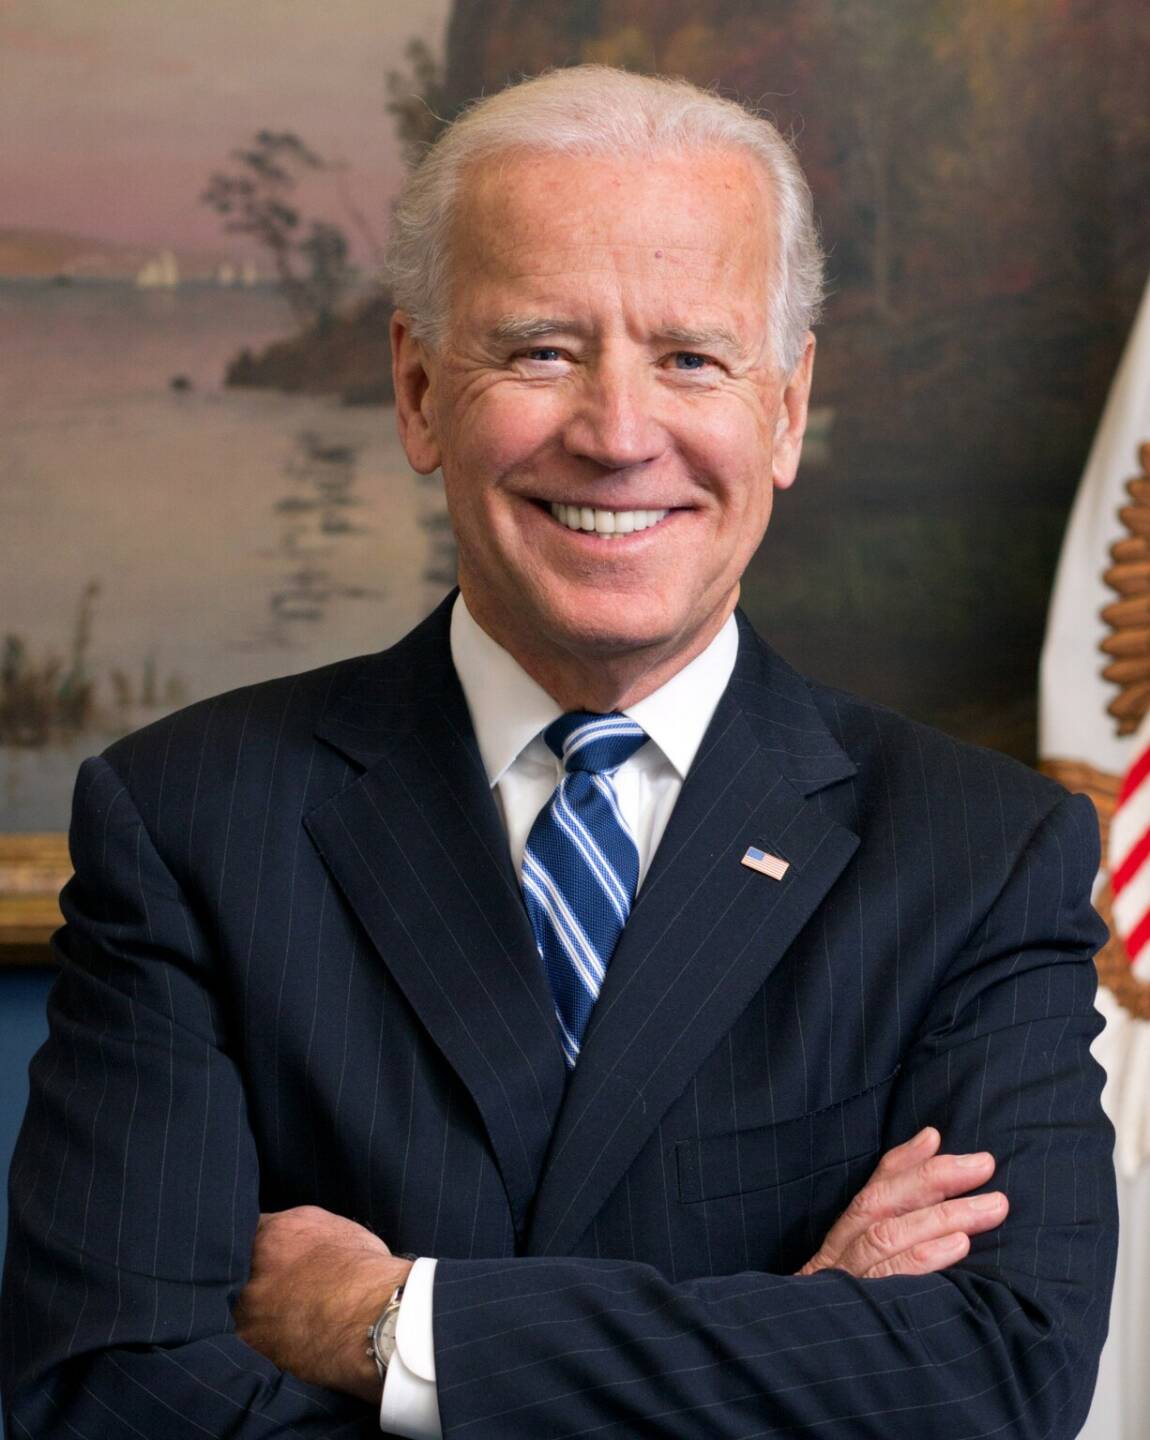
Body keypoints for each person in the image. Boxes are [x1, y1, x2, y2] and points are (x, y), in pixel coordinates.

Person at [2, 65, 1116, 1439]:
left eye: (690, 357)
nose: (616, 432)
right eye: (539, 349)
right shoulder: (189, 822)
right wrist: (796, 1344)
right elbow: (103, 1398)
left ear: (781, 410)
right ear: (417, 391)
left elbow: (993, 1379)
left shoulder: (978, 855)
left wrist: (400, 1327)